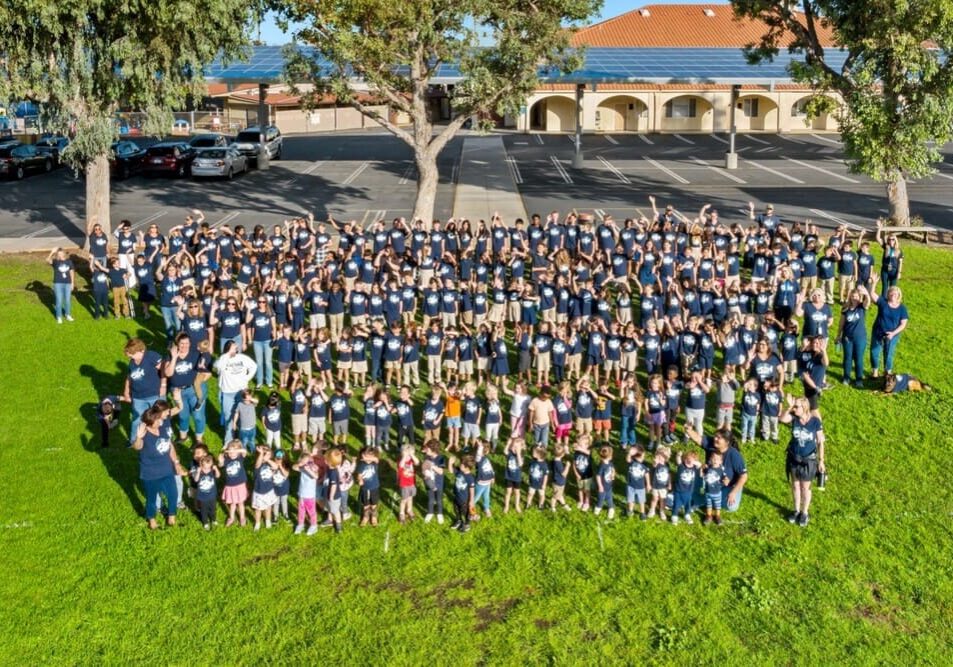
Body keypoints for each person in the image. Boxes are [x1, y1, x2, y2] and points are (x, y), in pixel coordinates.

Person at [132, 397, 186, 530]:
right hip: (150, 473)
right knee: (151, 499)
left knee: (173, 494)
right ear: (151, 422)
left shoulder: (162, 429)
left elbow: (170, 446)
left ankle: (172, 518)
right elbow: (137, 447)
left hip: (166, 469)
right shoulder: (143, 433)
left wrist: (176, 463)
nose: (162, 420)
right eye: (158, 419)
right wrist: (138, 437)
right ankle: (152, 520)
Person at [779, 396, 825, 528]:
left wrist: (821, 461)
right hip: (794, 458)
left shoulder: (815, 422)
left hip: (808, 460)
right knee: (795, 485)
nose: (794, 409)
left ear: (804, 408)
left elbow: (821, 442)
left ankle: (804, 512)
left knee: (805, 487)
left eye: (796, 406)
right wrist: (789, 407)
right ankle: (796, 510)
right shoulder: (794, 418)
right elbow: (782, 419)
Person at [685, 426, 748, 512]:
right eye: (715, 436)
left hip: (727, 486)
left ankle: (707, 500)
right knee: (696, 473)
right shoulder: (711, 444)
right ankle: (699, 499)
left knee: (731, 506)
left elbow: (744, 476)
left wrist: (733, 492)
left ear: (727, 442)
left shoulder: (734, 455)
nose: (715, 439)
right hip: (710, 480)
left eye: (719, 438)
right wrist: (689, 430)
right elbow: (698, 439)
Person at [122, 338, 165, 447]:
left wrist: (163, 385)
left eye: (132, 353)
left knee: (160, 418)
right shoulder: (132, 362)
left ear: (140, 350)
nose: (130, 356)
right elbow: (129, 377)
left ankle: (164, 438)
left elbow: (164, 369)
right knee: (137, 420)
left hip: (154, 395)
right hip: (138, 397)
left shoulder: (151, 356)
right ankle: (133, 440)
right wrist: (126, 391)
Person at [213, 341, 257, 442]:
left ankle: (242, 439)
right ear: (227, 349)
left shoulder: (242, 358)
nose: (235, 350)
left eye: (235, 348)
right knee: (229, 418)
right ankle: (228, 441)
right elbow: (218, 366)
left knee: (243, 416)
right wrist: (228, 354)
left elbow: (254, 366)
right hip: (228, 393)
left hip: (241, 393)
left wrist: (247, 378)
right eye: (232, 348)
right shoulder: (223, 359)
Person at [868, 279, 909, 378]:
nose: (893, 295)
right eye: (891, 293)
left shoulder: (902, 308)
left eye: (895, 294)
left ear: (899, 295)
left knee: (888, 354)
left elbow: (903, 324)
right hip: (878, 333)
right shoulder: (883, 302)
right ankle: (875, 372)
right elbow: (872, 294)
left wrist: (893, 334)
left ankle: (887, 373)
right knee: (874, 352)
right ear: (888, 294)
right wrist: (874, 283)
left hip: (892, 336)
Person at [836, 286, 871, 387]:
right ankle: (846, 378)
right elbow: (841, 323)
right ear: (850, 297)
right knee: (847, 358)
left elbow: (868, 302)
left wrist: (866, 293)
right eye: (852, 296)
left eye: (856, 296)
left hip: (860, 338)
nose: (854, 298)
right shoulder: (845, 308)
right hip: (847, 338)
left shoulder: (861, 307)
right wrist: (839, 335)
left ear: (859, 297)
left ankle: (859, 379)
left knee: (859, 358)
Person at [218, 439, 248, 527]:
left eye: (233, 452)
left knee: (241, 503)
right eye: (230, 452)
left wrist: (235, 450)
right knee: (232, 504)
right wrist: (220, 460)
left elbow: (244, 451)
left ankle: (242, 518)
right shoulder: (226, 459)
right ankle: (231, 517)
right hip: (230, 486)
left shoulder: (240, 458)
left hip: (240, 485)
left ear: (238, 452)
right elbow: (220, 465)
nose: (231, 453)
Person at [251, 445, 278, 531]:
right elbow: (257, 465)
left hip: (269, 490)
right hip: (259, 491)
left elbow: (275, 467)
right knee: (258, 509)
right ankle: (257, 523)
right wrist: (261, 454)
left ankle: (268, 521)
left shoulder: (269, 463)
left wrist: (268, 460)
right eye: (263, 453)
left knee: (268, 507)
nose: (265, 455)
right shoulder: (258, 464)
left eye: (267, 453)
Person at [293, 452, 321, 534]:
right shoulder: (302, 468)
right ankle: (300, 524)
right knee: (301, 510)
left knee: (311, 511)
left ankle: (314, 525)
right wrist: (300, 464)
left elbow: (316, 476)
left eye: (307, 461)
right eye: (303, 461)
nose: (305, 464)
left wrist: (308, 469)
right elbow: (294, 467)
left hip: (309, 495)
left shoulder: (313, 467)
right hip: (302, 494)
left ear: (310, 461)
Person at [671, 451, 700, 525]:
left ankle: (687, 514)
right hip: (678, 490)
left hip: (688, 491)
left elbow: (699, 464)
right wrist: (678, 455)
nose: (689, 461)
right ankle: (674, 515)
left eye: (691, 459)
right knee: (676, 504)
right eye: (687, 459)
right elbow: (678, 460)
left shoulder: (694, 468)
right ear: (684, 459)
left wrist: (693, 461)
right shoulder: (681, 466)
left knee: (688, 504)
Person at [191, 455, 220, 530]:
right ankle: (205, 522)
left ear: (211, 464)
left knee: (213, 509)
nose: (206, 468)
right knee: (204, 510)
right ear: (201, 464)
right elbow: (196, 480)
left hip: (212, 495)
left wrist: (216, 469)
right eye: (204, 466)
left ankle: (213, 519)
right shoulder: (199, 471)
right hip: (202, 496)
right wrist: (197, 472)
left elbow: (218, 476)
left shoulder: (212, 471)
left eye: (208, 466)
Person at [449, 455, 476, 533]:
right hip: (457, 496)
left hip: (465, 500)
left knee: (466, 513)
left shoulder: (470, 478)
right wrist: (450, 463)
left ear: (466, 467)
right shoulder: (460, 471)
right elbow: (451, 471)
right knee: (456, 510)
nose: (460, 464)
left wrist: (471, 501)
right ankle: (459, 520)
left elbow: (472, 490)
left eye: (461, 464)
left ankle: (467, 524)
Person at [48, 248, 75, 323]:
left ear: (64, 254)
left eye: (61, 253)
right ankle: (59, 316)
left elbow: (72, 272)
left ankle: (68, 315)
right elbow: (48, 260)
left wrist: (72, 283)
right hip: (58, 283)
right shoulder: (56, 262)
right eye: (58, 254)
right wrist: (52, 252)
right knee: (59, 301)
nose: (60, 255)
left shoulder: (69, 262)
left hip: (68, 283)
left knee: (67, 300)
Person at [355, 446, 381, 527]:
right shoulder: (361, 464)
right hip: (365, 488)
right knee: (365, 503)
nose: (367, 458)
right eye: (365, 455)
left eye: (370, 456)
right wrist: (360, 480)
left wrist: (370, 458)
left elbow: (377, 460)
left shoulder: (374, 462)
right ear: (361, 455)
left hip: (374, 487)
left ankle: (373, 516)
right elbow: (359, 475)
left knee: (374, 503)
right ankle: (365, 516)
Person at [702, 451, 728, 526]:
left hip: (717, 492)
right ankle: (708, 516)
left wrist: (726, 480)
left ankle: (717, 516)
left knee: (717, 505)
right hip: (707, 492)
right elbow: (702, 474)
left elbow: (725, 477)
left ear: (721, 461)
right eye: (713, 458)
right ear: (710, 459)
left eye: (717, 459)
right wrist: (702, 468)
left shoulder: (721, 470)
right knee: (708, 505)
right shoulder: (708, 468)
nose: (715, 460)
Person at [647, 445, 672, 521]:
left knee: (663, 499)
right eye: (659, 456)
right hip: (655, 486)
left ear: (666, 458)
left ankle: (662, 511)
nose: (660, 458)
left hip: (664, 486)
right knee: (654, 498)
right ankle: (652, 509)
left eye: (662, 456)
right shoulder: (656, 464)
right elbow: (654, 465)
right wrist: (655, 462)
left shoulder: (667, 465)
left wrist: (670, 483)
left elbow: (669, 475)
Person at [625, 445, 650, 519]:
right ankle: (630, 511)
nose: (643, 458)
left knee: (642, 501)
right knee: (630, 500)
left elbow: (647, 474)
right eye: (642, 456)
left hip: (641, 487)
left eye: (643, 456)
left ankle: (642, 513)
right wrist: (629, 453)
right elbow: (627, 459)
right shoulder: (632, 461)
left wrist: (648, 484)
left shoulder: (644, 464)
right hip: (630, 486)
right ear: (635, 456)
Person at [396, 445, 419, 523]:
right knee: (404, 499)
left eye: (409, 454)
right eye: (406, 453)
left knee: (410, 498)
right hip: (404, 484)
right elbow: (401, 465)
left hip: (412, 483)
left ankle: (409, 510)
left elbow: (417, 462)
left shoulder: (411, 460)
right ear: (402, 453)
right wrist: (404, 456)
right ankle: (401, 513)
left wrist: (412, 455)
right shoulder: (401, 460)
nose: (408, 456)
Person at [503, 437, 525, 514]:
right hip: (508, 476)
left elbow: (520, 464)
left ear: (521, 448)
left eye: (516, 447)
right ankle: (506, 506)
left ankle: (517, 505)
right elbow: (505, 451)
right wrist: (508, 444)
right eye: (513, 446)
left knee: (517, 492)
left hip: (517, 478)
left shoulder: (521, 455)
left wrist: (518, 453)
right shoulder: (510, 453)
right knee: (508, 492)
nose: (514, 448)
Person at [593, 445, 615, 518]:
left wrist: (613, 474)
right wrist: (600, 486)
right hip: (602, 487)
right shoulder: (602, 465)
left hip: (609, 486)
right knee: (601, 499)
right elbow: (598, 476)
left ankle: (611, 508)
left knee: (609, 498)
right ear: (609, 456)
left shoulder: (609, 463)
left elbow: (613, 469)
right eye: (611, 454)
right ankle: (598, 508)